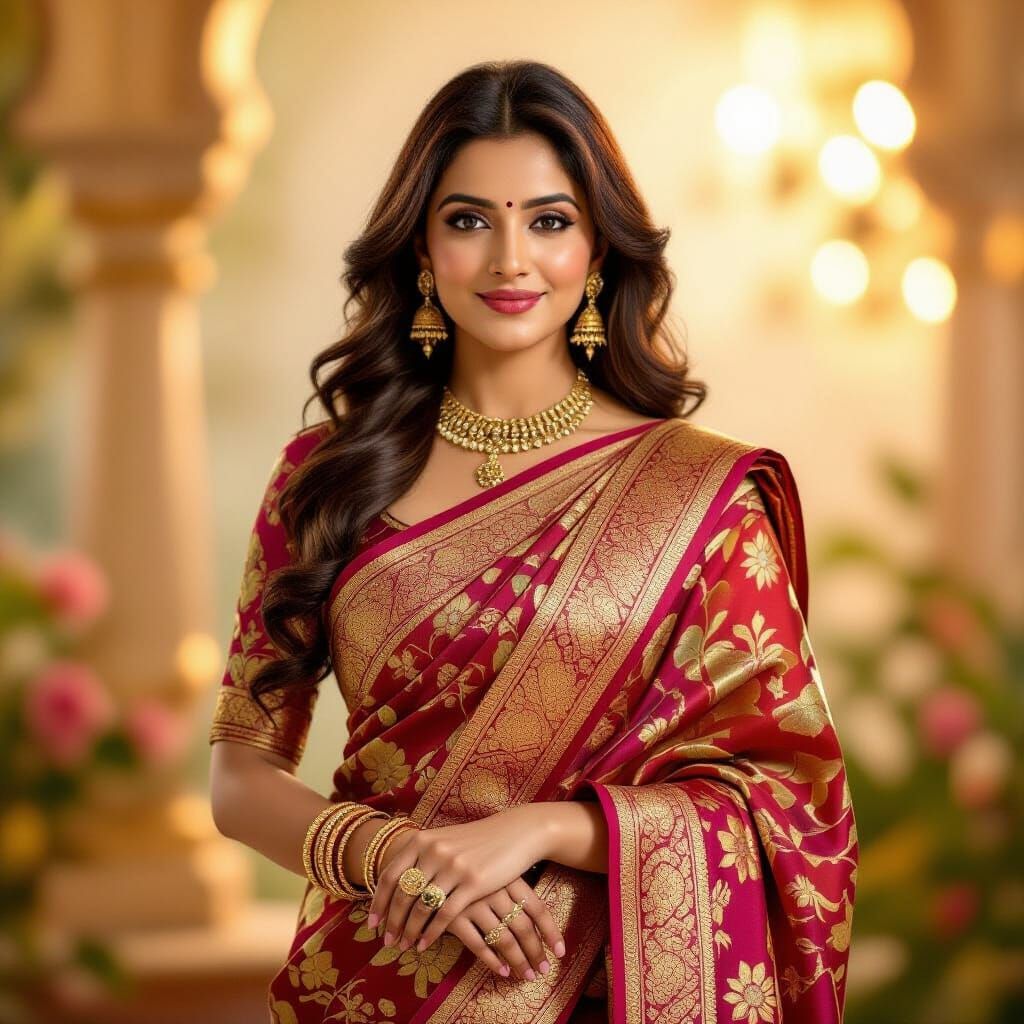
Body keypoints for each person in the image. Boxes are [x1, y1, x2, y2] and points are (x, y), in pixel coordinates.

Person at [208, 59, 857, 1023]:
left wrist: (546, 830)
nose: (511, 259)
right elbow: (239, 780)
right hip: (376, 976)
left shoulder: (699, 497)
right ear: (422, 249)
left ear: (596, 250)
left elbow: (787, 802)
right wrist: (392, 853)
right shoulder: (326, 478)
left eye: (549, 221)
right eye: (470, 220)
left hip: (597, 990)